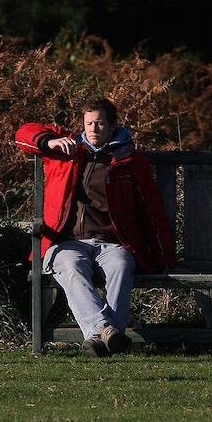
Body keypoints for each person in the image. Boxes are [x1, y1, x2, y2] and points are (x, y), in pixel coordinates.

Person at [15, 97, 177, 357]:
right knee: (70, 267)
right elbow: (23, 134)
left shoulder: (132, 162)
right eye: (89, 123)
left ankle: (98, 338)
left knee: (122, 265)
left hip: (112, 244)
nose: (93, 129)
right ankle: (107, 330)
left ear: (113, 126)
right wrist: (50, 141)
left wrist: (165, 258)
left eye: (100, 123)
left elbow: (152, 213)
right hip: (67, 242)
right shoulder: (66, 152)